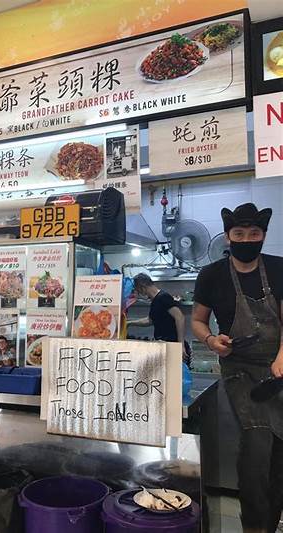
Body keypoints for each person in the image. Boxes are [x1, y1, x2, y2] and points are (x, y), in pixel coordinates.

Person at [192, 203, 283, 533]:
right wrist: (211, 340)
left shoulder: (279, 268)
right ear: (228, 236)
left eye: (254, 233)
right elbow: (198, 321)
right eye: (239, 233)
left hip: (279, 366)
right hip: (238, 368)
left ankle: (269, 523)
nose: (247, 240)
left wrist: (281, 357)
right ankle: (254, 527)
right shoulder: (212, 275)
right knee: (258, 442)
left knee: (279, 452)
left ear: (264, 235)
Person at [128, 273, 190, 365]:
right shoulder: (155, 300)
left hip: (173, 345)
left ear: (142, 286)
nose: (139, 293)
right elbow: (150, 320)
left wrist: (180, 345)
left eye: (138, 290)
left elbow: (180, 317)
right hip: (164, 345)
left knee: (176, 373)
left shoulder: (163, 297)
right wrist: (129, 323)